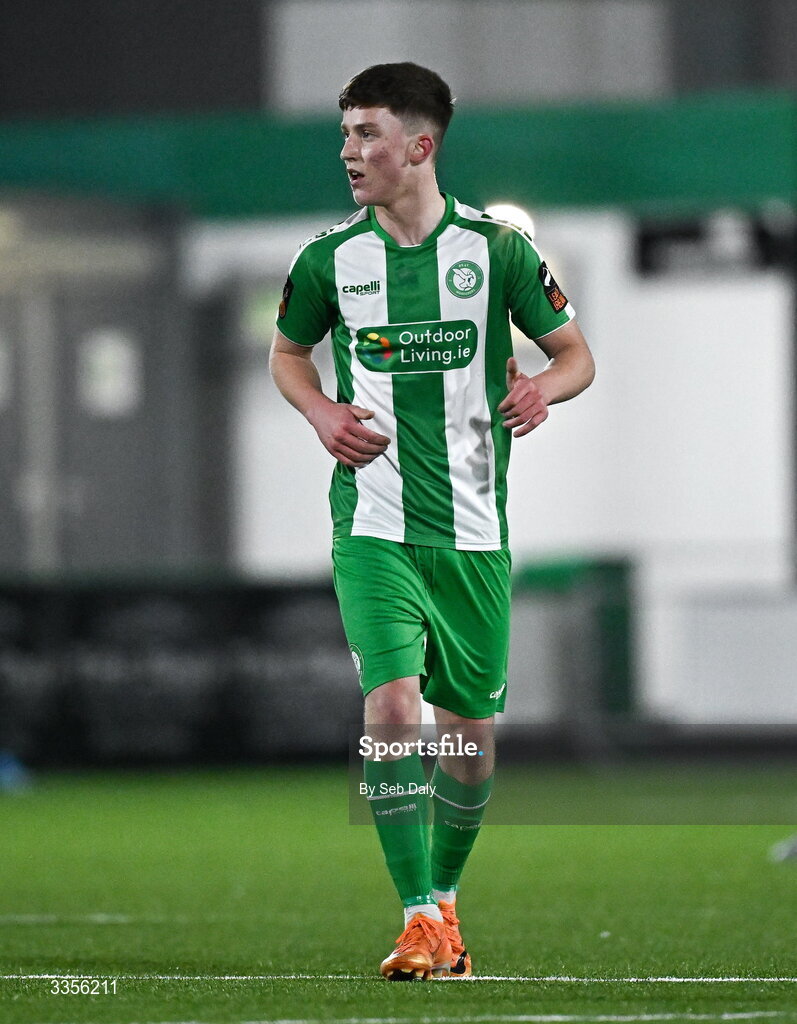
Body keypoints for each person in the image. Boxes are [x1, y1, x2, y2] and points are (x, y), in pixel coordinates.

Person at [269, 61, 595, 981]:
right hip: (371, 527)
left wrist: (540, 387)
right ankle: (415, 916)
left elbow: (575, 356)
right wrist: (321, 412)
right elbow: (287, 353)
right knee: (391, 706)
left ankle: (444, 904)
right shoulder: (328, 260)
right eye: (344, 135)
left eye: (366, 134)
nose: (348, 152)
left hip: (474, 536)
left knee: (468, 739)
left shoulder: (494, 252)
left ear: (419, 145)